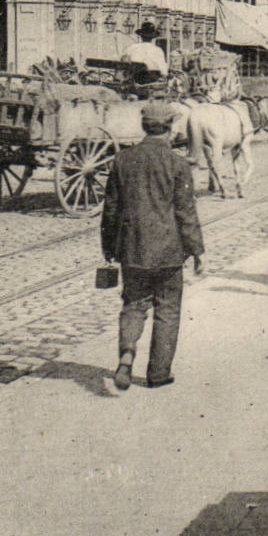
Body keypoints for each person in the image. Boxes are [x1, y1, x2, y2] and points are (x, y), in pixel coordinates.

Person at [100, 101, 205, 391]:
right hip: (169, 252)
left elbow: (111, 209)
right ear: (169, 128)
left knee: (133, 305)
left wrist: (109, 248)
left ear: (144, 126)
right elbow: (185, 212)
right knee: (167, 310)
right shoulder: (177, 164)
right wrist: (197, 251)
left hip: (133, 249)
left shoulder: (122, 160)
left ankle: (126, 355)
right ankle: (158, 374)